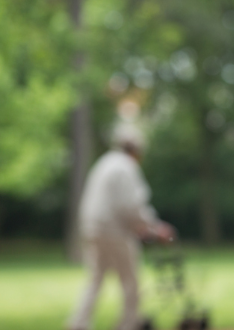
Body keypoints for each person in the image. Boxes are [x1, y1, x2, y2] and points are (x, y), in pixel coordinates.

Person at [68, 123, 175, 330]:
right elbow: (132, 206)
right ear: (136, 150)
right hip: (114, 231)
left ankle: (78, 324)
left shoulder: (105, 162)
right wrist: (155, 227)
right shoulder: (126, 167)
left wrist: (143, 226)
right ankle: (129, 324)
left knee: (95, 278)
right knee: (131, 280)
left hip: (92, 228)